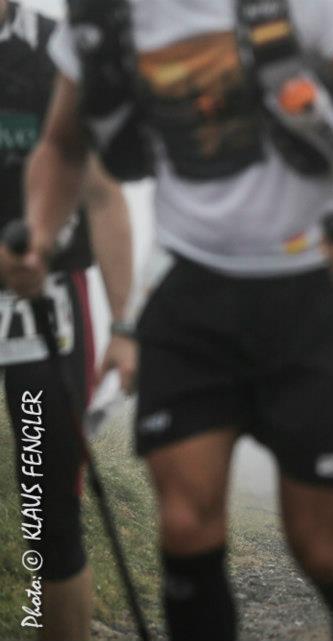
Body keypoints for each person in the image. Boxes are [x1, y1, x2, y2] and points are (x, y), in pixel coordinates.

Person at [15, 0, 333, 638]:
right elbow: (64, 146)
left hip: (304, 296)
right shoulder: (104, 17)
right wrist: (39, 235)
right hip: (187, 295)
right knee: (185, 524)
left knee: (322, 547)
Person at [0, 3, 135, 639]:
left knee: (47, 513)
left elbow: (102, 195)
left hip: (43, 310)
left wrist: (125, 325)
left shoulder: (59, 51)